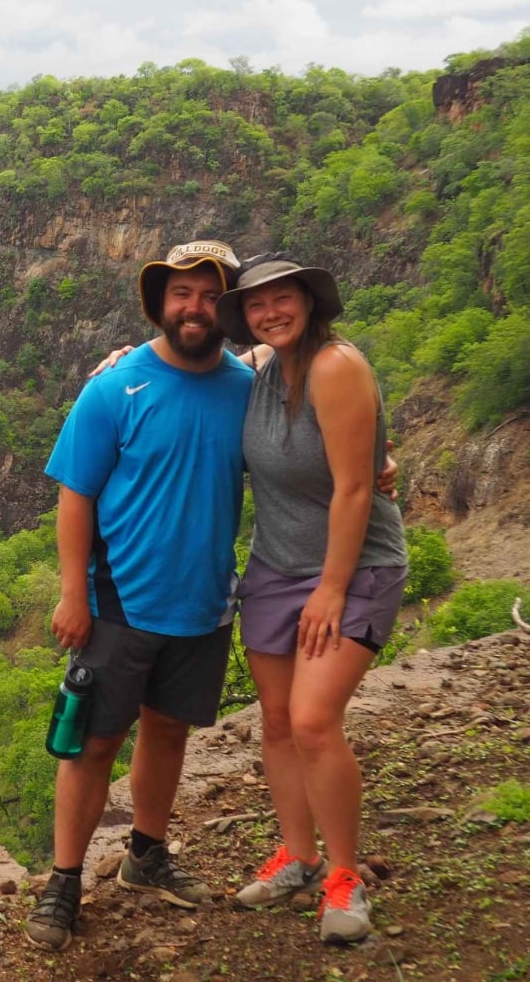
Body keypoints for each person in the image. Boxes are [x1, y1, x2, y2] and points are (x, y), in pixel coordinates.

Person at [27, 240, 252, 951]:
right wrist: (73, 593)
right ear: (158, 303)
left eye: (210, 293)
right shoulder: (113, 386)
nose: (194, 307)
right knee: (92, 741)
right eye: (181, 293)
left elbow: (305, 438)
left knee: (168, 729)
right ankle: (64, 879)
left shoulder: (248, 389)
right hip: (119, 597)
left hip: (205, 597)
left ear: (229, 307)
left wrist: (383, 461)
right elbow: (76, 493)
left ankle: (145, 854)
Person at [216, 255, 407, 944]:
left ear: (309, 300)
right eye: (258, 304)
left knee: (313, 718)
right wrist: (118, 361)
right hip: (274, 562)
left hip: (353, 566)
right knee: (274, 718)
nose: (271, 311)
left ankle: (345, 874)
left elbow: (358, 487)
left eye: (283, 298)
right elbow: (217, 359)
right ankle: (298, 856)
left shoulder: (335, 365)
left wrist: (331, 586)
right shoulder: (268, 365)